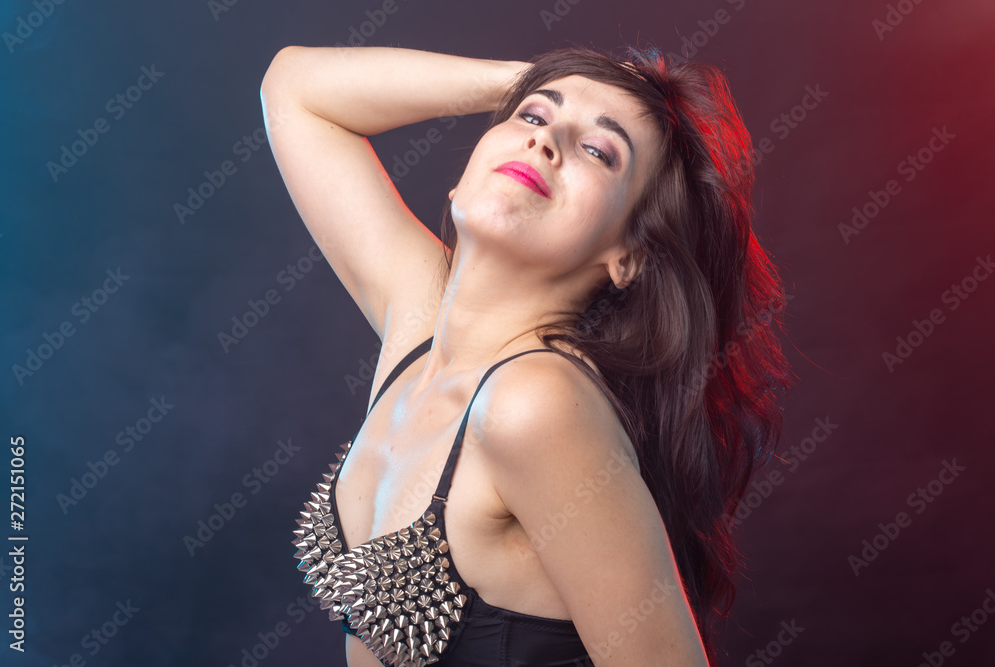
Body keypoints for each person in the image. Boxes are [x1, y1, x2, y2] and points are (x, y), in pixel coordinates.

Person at [261, 42, 791, 667]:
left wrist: (548, 95)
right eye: (533, 118)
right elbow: (293, 88)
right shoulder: (419, 326)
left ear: (627, 255)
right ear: (464, 176)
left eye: (599, 150)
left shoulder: (535, 406)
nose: (546, 142)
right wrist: (529, 82)